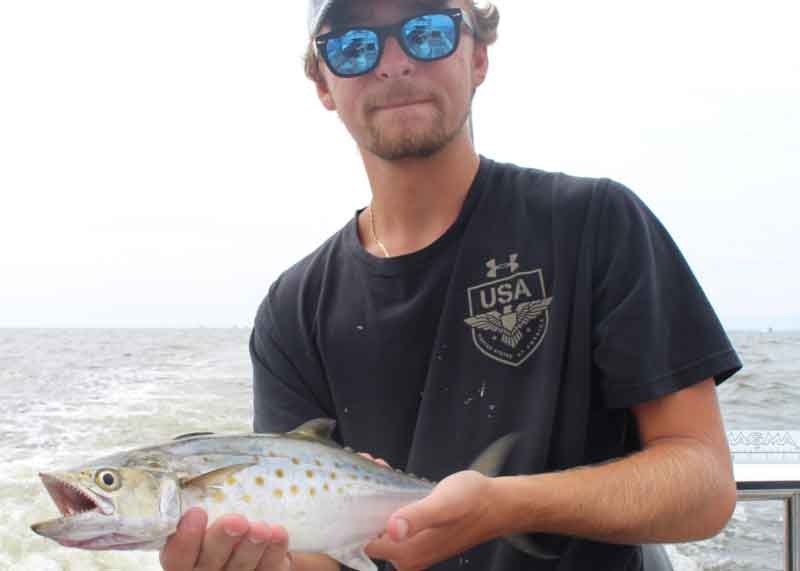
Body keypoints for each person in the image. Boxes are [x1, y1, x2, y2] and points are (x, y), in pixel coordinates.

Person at [160, 0, 743, 570]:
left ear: (479, 57)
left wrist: (504, 505)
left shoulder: (596, 222)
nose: (393, 62)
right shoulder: (293, 309)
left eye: (428, 30)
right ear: (323, 83)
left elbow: (703, 485)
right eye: (355, 46)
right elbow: (319, 554)